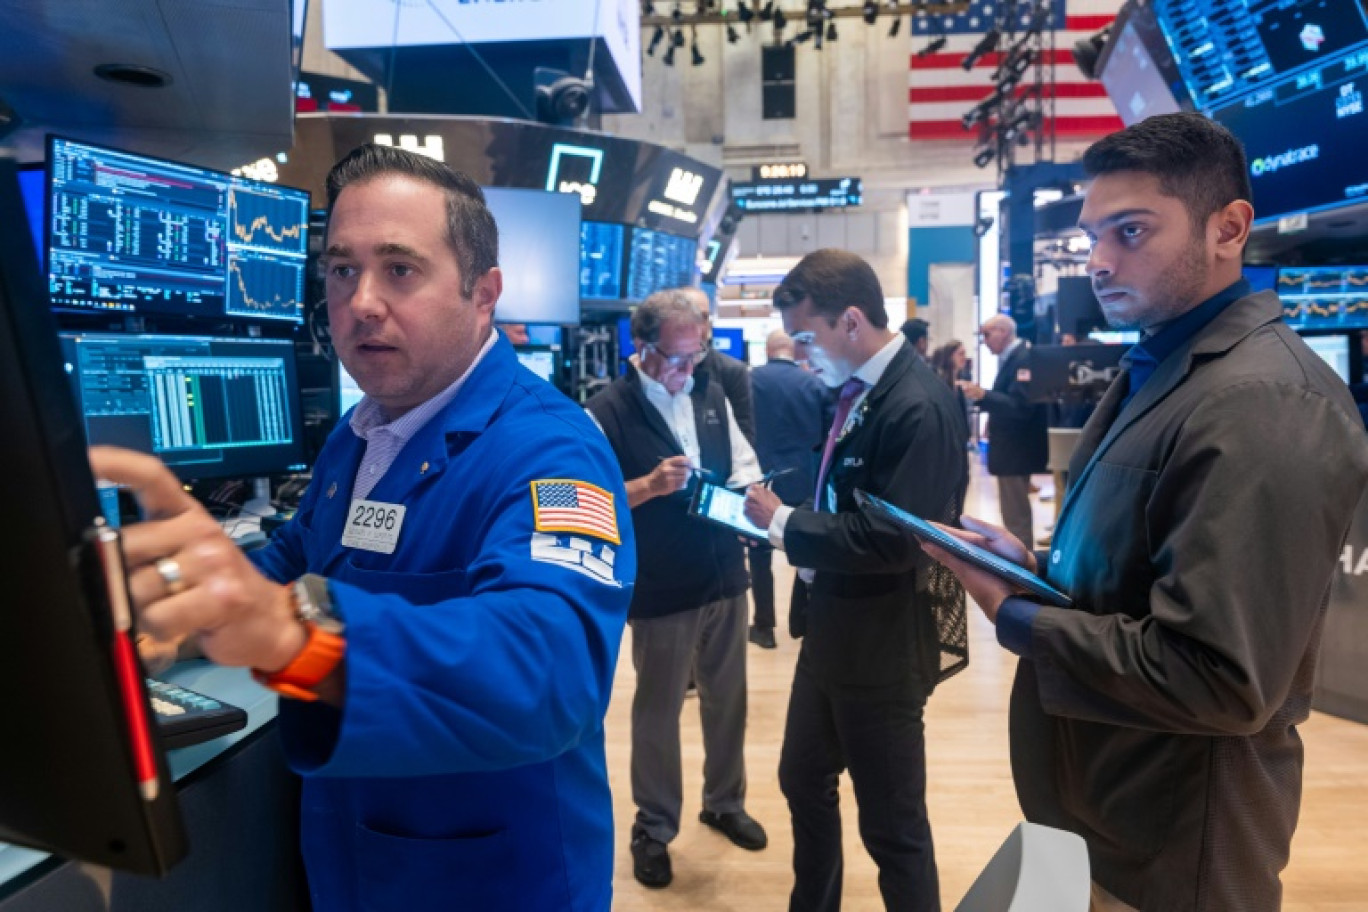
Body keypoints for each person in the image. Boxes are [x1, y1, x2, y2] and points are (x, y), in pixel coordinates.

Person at [90, 144, 636, 911]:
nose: (361, 302)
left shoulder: (549, 449)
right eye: (342, 270)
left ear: (484, 295)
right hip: (351, 852)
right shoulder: (361, 434)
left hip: (485, 878)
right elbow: (299, 557)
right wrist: (172, 593)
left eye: (400, 270)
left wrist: (298, 635)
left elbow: (550, 672)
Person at [922, 112, 1368, 911]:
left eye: (1131, 231)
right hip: (1108, 805)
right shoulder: (1173, 367)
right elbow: (1144, 573)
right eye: (1094, 234)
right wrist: (1033, 570)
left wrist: (1017, 614)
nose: (1097, 260)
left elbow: (1221, 679)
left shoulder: (1264, 400)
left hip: (1175, 844)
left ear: (1229, 228)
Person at [743, 249, 966, 912]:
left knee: (892, 826)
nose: (801, 351)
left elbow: (897, 541)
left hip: (884, 644)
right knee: (802, 778)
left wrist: (785, 524)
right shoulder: (860, 391)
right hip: (834, 629)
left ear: (849, 321)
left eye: (807, 336)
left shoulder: (916, 405)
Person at [585, 290, 768, 890]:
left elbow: (743, 466)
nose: (689, 371)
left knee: (728, 699)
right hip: (661, 583)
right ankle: (653, 826)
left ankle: (724, 801)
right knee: (658, 711)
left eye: (698, 357)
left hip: (722, 571)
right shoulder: (603, 412)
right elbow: (590, 504)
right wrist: (649, 485)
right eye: (678, 359)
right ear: (642, 349)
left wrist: (754, 498)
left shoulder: (710, 395)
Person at [748, 328, 828, 648]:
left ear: (767, 350)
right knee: (806, 547)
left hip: (761, 479)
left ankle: (764, 627)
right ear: (793, 349)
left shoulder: (747, 381)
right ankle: (807, 621)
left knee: (759, 556)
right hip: (803, 480)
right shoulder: (814, 384)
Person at [957, 314, 1047, 548]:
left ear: (1003, 331)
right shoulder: (1013, 358)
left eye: (987, 334)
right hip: (1011, 448)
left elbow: (1021, 406)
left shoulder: (1023, 358)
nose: (984, 341)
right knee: (1013, 511)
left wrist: (984, 396)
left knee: (1016, 514)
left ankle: (1022, 569)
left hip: (1016, 449)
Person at [683, 285, 756, 443]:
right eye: (690, 316)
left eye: (703, 317)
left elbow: (744, 436)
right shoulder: (661, 368)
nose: (698, 326)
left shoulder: (732, 371)